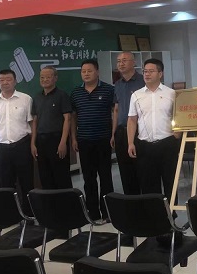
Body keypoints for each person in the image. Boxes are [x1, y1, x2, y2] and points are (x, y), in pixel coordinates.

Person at [127, 59, 180, 201]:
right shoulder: (136, 95)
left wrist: (177, 133)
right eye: (145, 71)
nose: (147, 74)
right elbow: (132, 120)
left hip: (167, 143)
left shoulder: (172, 93)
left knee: (170, 182)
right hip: (145, 146)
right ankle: (154, 213)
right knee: (148, 184)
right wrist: (130, 143)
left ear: (160, 74)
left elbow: (179, 116)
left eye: (151, 71)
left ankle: (171, 213)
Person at [70, 59, 115, 221]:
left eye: (89, 71)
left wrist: (113, 134)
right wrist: (73, 138)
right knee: (88, 178)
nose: (86, 74)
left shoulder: (109, 90)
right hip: (84, 140)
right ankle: (93, 212)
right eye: (83, 71)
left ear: (97, 72)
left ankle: (107, 212)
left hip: (103, 139)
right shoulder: (76, 92)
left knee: (105, 176)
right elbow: (73, 117)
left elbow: (115, 113)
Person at [0, 69, 34, 213]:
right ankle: (10, 214)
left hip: (22, 145)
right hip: (2, 148)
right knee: (5, 184)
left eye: (8, 79)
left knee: (26, 182)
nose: (5, 82)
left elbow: (32, 124)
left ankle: (29, 214)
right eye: (1, 80)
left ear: (15, 81)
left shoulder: (26, 99)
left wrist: (32, 144)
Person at [30, 66, 73, 189]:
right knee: (45, 177)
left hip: (57, 139)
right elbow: (35, 121)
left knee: (61, 177)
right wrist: (33, 143)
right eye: (42, 77)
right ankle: (49, 201)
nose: (45, 80)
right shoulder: (37, 97)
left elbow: (68, 119)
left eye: (48, 77)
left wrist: (63, 142)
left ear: (55, 78)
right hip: (41, 141)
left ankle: (66, 201)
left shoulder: (62, 95)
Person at [112, 51, 145, 194]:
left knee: (142, 169)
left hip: (140, 131)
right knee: (125, 172)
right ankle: (131, 202)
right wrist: (113, 133)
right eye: (119, 61)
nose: (121, 63)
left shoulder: (143, 81)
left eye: (125, 60)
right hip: (121, 131)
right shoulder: (117, 84)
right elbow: (116, 109)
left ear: (134, 62)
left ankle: (145, 201)